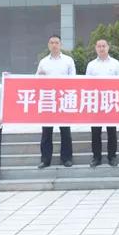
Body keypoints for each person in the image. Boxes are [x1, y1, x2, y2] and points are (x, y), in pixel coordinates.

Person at [36, 34, 75, 169]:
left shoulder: (68, 60)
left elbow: (73, 80)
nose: (54, 45)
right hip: (49, 100)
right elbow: (36, 80)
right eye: (51, 42)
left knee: (65, 131)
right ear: (48, 45)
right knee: (47, 132)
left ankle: (67, 158)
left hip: (64, 100)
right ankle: (45, 159)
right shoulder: (43, 62)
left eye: (56, 43)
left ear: (61, 45)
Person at [85, 38, 119, 168]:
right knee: (96, 132)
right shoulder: (91, 65)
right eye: (99, 46)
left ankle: (112, 156)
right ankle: (97, 157)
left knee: (112, 131)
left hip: (111, 102)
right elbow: (87, 84)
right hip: (96, 103)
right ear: (95, 48)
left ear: (108, 47)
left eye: (104, 46)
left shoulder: (116, 63)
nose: (101, 48)